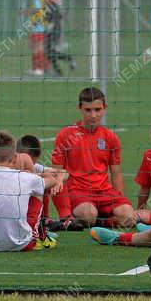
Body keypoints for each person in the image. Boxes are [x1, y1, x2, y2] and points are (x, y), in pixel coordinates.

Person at [50, 87, 138, 229]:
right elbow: (56, 174)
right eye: (88, 110)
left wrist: (121, 200)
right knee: (88, 215)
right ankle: (98, 219)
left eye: (97, 110)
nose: (93, 115)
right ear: (80, 108)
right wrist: (64, 211)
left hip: (105, 192)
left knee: (128, 217)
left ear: (105, 108)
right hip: (78, 192)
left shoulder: (111, 137)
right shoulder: (66, 135)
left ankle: (102, 220)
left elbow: (116, 173)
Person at [0, 131, 65, 252]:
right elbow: (52, 181)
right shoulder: (25, 177)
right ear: (15, 157)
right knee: (38, 190)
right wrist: (40, 175)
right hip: (20, 244)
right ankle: (39, 236)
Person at [43, 0, 75, 76]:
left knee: (49, 52)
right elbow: (59, 16)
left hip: (53, 32)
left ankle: (69, 59)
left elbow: (57, 16)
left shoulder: (52, 4)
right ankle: (58, 71)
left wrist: (51, 24)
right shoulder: (48, 5)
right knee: (49, 53)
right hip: (51, 31)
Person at [25, 0, 48, 75]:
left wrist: (26, 11)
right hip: (37, 26)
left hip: (37, 26)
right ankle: (37, 68)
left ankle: (39, 68)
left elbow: (38, 10)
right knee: (35, 48)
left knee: (37, 48)